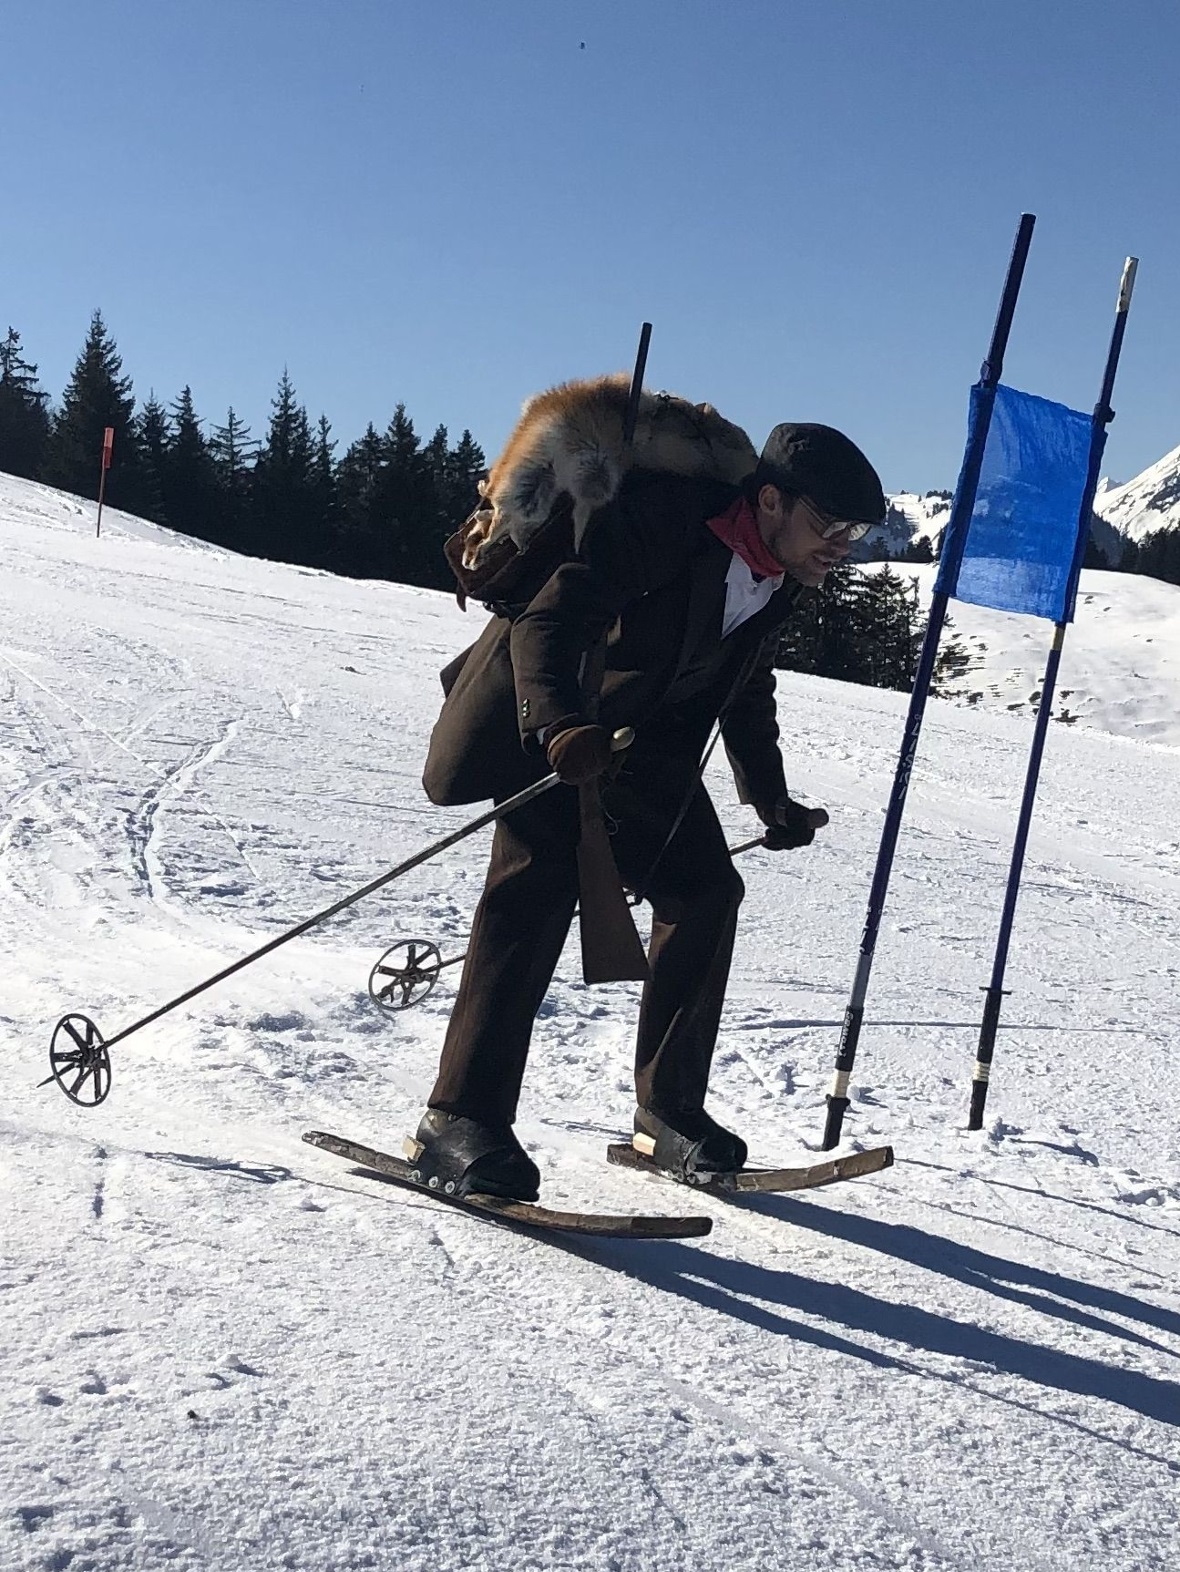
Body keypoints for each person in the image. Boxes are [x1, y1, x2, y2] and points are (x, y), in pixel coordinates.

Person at [413, 420, 885, 1200]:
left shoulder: (780, 570)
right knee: (535, 892)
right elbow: (551, 620)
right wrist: (561, 728)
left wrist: (771, 800)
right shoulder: (666, 522)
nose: (841, 545)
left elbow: (746, 684)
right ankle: (457, 1121)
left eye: (854, 533)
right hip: (549, 725)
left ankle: (667, 1113)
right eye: (830, 524)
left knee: (705, 892)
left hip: (642, 748)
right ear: (770, 500)